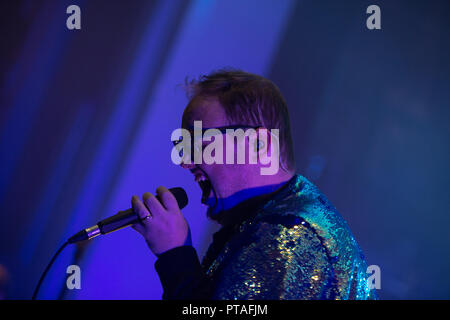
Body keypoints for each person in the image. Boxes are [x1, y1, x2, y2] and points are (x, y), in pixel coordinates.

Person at [131, 69, 377, 300]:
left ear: (258, 144)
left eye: (200, 145)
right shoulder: (272, 219)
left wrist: (175, 255)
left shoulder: (290, 236)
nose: (185, 161)